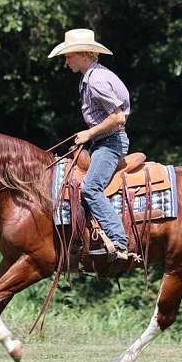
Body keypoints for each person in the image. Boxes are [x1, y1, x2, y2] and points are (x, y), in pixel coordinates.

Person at [48, 28, 130, 261]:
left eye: (68, 56)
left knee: (90, 187)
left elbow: (117, 118)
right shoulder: (92, 76)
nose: (66, 62)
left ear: (84, 54)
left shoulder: (96, 81)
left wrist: (89, 134)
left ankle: (119, 241)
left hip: (110, 142)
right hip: (101, 141)